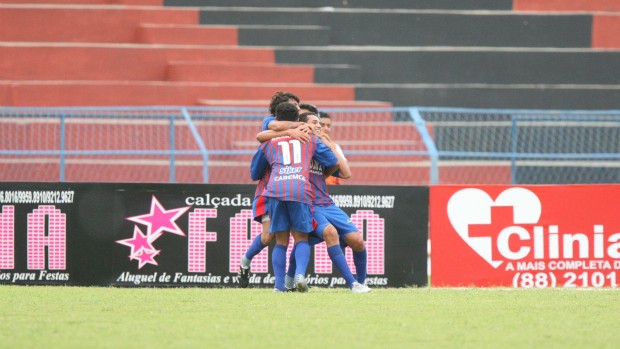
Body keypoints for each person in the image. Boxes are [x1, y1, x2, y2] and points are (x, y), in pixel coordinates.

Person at [257, 112, 370, 293]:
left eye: (325, 125)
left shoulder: (321, 144)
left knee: (356, 240)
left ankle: (362, 282)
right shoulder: (298, 142)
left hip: (326, 203)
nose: (321, 127)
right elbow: (262, 145)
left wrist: (328, 145)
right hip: (306, 202)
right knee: (314, 237)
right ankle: (352, 284)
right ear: (302, 125)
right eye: (316, 123)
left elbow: (344, 172)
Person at [250, 102, 339, 292]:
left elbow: (255, 172)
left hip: (274, 190)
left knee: (281, 240)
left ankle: (278, 287)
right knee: (301, 238)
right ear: (298, 119)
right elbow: (332, 160)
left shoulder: (268, 141)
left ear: (277, 120)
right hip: (300, 189)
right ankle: (299, 275)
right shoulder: (308, 138)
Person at [238, 92, 310, 288]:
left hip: (292, 187)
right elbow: (267, 134)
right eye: (292, 105)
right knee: (269, 236)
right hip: (268, 189)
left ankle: (287, 283)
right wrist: (294, 130)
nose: (297, 109)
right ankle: (245, 261)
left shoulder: (301, 131)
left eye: (298, 105)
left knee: (293, 236)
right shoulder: (272, 122)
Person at [319, 112, 345, 185]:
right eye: (322, 125)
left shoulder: (335, 146)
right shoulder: (309, 144)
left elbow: (344, 172)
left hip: (332, 187)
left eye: (328, 126)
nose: (326, 128)